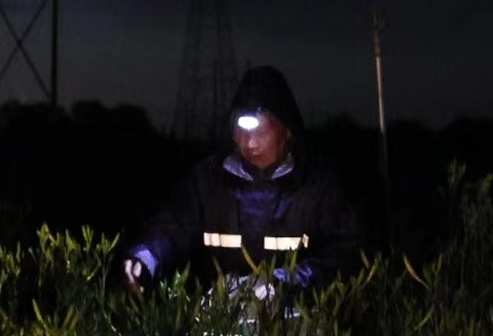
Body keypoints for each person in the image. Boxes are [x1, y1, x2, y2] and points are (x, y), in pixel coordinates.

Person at [123, 65, 361, 298]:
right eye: (242, 130)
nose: (250, 143)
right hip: (218, 320)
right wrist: (146, 256)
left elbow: (343, 254)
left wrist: (286, 282)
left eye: (261, 132)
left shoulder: (318, 187)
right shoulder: (208, 180)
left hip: (297, 321)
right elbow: (173, 226)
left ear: (287, 131)